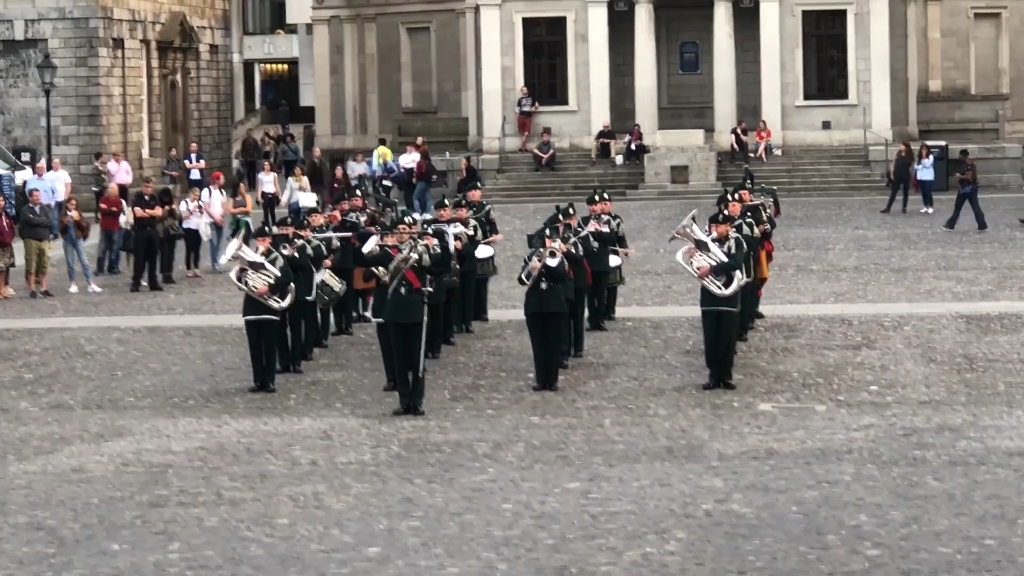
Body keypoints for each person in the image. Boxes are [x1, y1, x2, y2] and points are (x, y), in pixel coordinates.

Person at [386, 215, 449, 416]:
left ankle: (417, 401)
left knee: (417, 359)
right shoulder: (388, 252)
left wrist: (444, 242)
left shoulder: (421, 252)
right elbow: (360, 259)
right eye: (398, 229)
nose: (401, 233)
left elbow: (440, 268)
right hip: (395, 310)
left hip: (415, 309)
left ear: (411, 231)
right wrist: (366, 240)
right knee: (399, 360)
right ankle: (404, 400)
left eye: (405, 229)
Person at [243, 225, 294, 394]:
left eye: (263, 240)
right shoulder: (251, 258)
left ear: (269, 240)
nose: (260, 244)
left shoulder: (277, 257)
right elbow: (243, 279)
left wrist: (270, 288)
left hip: (270, 307)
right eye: (258, 241)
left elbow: (287, 277)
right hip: (252, 306)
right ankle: (258, 380)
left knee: (269, 346)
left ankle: (270, 381)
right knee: (255, 347)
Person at [518, 225, 570, 391]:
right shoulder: (531, 256)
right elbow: (521, 280)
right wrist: (532, 269)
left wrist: (545, 265)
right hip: (535, 304)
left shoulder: (558, 256)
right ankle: (540, 379)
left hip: (554, 303)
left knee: (554, 344)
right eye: (543, 240)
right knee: (538, 344)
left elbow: (562, 276)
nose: (545, 243)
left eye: (548, 239)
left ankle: (553, 380)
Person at [698, 211, 745, 391]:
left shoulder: (736, 241)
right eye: (712, 226)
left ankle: (726, 376)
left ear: (728, 226)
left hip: (729, 294)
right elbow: (696, 264)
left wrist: (711, 268)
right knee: (711, 338)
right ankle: (713, 376)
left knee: (728, 338)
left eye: (718, 226)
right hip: (710, 295)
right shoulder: (705, 242)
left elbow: (736, 263)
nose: (715, 230)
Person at [354, 222, 399, 390]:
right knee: (386, 344)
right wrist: (358, 245)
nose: (389, 240)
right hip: (382, 304)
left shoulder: (405, 253)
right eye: (386, 237)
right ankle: (391, 377)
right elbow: (362, 267)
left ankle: (403, 375)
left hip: (399, 303)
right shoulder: (378, 256)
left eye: (391, 236)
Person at [274, 217, 309, 374]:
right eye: (281, 229)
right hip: (280, 290)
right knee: (280, 328)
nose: (284, 232)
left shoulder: (299, 244)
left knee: (296, 327)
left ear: (293, 229)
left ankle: (296, 361)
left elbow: (303, 265)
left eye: (287, 229)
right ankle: (283, 362)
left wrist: (291, 255)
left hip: (297, 288)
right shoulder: (274, 245)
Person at [581, 191, 617, 331]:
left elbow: (611, 239)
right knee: (590, 294)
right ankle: (592, 319)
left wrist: (598, 233)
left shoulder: (607, 221)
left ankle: (600, 320)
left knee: (601, 293)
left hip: (601, 260)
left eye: (595, 205)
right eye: (591, 205)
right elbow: (579, 238)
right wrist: (588, 230)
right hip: (588, 261)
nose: (593, 208)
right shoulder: (583, 221)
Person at [466, 182, 501, 322]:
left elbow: (492, 226)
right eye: (471, 191)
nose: (473, 193)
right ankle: (470, 312)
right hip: (468, 248)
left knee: (483, 281)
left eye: (476, 190)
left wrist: (495, 235)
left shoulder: (486, 208)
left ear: (480, 192)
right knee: (469, 281)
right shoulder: (463, 208)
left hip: (483, 247)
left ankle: (482, 311)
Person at [560, 204, 589, 360]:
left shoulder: (581, 235)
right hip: (564, 280)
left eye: (572, 218)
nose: (570, 222)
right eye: (567, 219)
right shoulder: (558, 235)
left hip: (578, 279)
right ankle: (566, 347)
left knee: (578, 315)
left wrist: (567, 251)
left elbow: (583, 255)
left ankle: (578, 347)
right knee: (565, 316)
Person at [58, 196, 102, 294]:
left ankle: (90, 283)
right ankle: (73, 284)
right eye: (71, 204)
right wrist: (65, 223)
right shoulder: (62, 215)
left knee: (84, 261)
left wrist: (77, 220)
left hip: (77, 239)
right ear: (67, 205)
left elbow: (84, 227)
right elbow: (60, 230)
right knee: (70, 262)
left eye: (74, 205)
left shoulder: (78, 214)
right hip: (67, 240)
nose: (73, 207)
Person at [328, 193, 357, 336]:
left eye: (346, 203)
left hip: (347, 261)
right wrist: (334, 222)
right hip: (334, 262)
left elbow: (355, 230)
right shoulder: (331, 220)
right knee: (336, 295)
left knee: (348, 294)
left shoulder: (352, 218)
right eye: (341, 204)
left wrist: (341, 222)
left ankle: (348, 324)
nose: (344, 206)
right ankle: (338, 325)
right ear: (335, 206)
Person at [452, 197, 481, 334]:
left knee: (469, 295)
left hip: (469, 264)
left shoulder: (473, 224)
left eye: (462, 210)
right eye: (457, 210)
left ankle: (467, 322)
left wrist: (461, 248)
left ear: (467, 211)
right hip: (455, 264)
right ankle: (457, 322)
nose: (459, 212)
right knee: (456, 295)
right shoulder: (451, 225)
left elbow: (474, 244)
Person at [18, 188, 54, 298]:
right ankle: (32, 289)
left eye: (39, 196)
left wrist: (37, 220)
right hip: (31, 239)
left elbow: (49, 222)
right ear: (30, 197)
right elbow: (30, 221)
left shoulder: (45, 208)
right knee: (31, 263)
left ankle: (44, 288)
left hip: (44, 239)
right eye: (35, 196)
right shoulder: (25, 210)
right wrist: (41, 220)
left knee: (44, 263)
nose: (38, 198)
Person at [942, 149, 988, 232]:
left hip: (965, 189)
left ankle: (950, 225)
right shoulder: (970, 164)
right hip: (972, 188)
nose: (959, 158)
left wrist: (959, 176)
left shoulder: (968, 165)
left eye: (961, 156)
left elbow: (969, 177)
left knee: (958, 207)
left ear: (964, 156)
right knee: (975, 207)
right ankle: (982, 225)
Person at [130, 177, 163, 292]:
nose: (148, 189)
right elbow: (138, 214)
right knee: (139, 258)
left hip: (153, 231)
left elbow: (159, 213)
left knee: (153, 257)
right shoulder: (137, 198)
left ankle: (153, 282)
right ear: (142, 186)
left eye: (150, 187)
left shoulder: (155, 198)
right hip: (141, 230)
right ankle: (136, 282)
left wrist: (146, 211)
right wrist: (151, 212)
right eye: (146, 186)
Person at [601, 197, 628, 321]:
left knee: (613, 285)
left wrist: (624, 248)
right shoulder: (593, 220)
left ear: (610, 205)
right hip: (599, 255)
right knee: (600, 285)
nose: (602, 206)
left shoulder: (616, 220)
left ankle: (611, 310)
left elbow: (621, 237)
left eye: (605, 204)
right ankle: (600, 309)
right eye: (600, 204)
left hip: (612, 254)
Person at [96, 183, 124, 275]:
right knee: (102, 248)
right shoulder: (103, 199)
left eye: (112, 188)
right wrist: (112, 209)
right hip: (104, 227)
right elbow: (102, 210)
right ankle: (100, 269)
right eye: (109, 188)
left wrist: (108, 209)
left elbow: (118, 212)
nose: (110, 189)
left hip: (114, 227)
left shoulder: (119, 201)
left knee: (114, 248)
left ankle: (112, 268)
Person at [201, 172, 227, 272]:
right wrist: (215, 218)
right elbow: (206, 207)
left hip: (219, 220)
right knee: (214, 242)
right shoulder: (207, 191)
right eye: (222, 179)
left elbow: (224, 206)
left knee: (219, 243)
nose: (223, 180)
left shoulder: (222, 192)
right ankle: (215, 263)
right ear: (216, 180)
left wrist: (221, 216)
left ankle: (216, 261)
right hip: (210, 221)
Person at [156, 186, 182, 285]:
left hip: (172, 232)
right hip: (162, 232)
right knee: (164, 254)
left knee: (171, 254)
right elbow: (158, 218)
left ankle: (169, 273)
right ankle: (164, 274)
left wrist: (174, 209)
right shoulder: (158, 205)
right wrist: (166, 210)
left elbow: (178, 217)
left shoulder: (172, 204)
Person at [179, 187, 205, 278]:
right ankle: (188, 269)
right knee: (189, 249)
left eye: (198, 195)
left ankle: (196, 269)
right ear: (191, 194)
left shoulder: (200, 203)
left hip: (198, 228)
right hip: (188, 228)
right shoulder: (184, 203)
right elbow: (184, 216)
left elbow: (202, 215)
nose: (197, 197)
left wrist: (201, 210)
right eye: (195, 195)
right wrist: (191, 210)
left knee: (197, 249)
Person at [882, 142, 914, 214]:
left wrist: (911, 176)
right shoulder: (897, 154)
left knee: (905, 192)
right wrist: (892, 173)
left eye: (902, 145)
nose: (901, 146)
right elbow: (893, 163)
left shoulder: (909, 156)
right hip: (897, 174)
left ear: (906, 147)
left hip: (905, 175)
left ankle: (904, 207)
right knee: (894, 191)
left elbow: (911, 166)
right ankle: (888, 207)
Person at [515, 85, 538, 153]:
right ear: (521, 91)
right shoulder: (520, 100)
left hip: (528, 117)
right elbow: (517, 109)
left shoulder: (532, 98)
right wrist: (517, 114)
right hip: (521, 116)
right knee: (522, 133)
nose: (524, 91)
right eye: (523, 90)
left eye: (525, 89)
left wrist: (535, 108)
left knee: (526, 133)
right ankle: (524, 148)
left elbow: (536, 105)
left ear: (527, 91)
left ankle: (520, 147)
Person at [257, 160, 280, 227]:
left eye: (268, 165)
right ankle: (266, 225)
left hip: (272, 193)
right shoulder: (261, 175)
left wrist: (279, 194)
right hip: (264, 193)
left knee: (272, 211)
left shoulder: (274, 174)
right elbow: (260, 186)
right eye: (265, 165)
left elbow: (276, 184)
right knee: (265, 211)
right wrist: (259, 196)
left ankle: (274, 225)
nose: (267, 166)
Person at [413, 148, 435, 217]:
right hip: (428, 181)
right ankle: (427, 213)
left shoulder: (420, 162)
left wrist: (415, 176)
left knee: (415, 197)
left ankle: (417, 212)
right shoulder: (428, 162)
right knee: (428, 197)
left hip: (421, 181)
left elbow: (418, 173)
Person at [0, 194, 14, 299]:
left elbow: (11, 227)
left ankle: (3, 287)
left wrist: (10, 237)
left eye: (2, 201)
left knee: (5, 267)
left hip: (7, 244)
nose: (1, 203)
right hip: (1, 244)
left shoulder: (5, 214)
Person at [915, 143, 935, 214]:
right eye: (922, 149)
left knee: (928, 192)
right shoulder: (919, 157)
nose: (923, 150)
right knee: (923, 192)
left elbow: (927, 165)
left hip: (928, 177)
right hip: (921, 177)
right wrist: (920, 165)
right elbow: (916, 166)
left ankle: (930, 206)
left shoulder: (930, 156)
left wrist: (924, 159)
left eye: (925, 149)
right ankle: (925, 205)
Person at [90, 152, 107, 223]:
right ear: (100, 157)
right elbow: (102, 172)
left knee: (101, 201)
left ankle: (100, 215)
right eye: (102, 157)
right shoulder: (95, 166)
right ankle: (97, 216)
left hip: (101, 186)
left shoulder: (99, 165)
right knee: (99, 201)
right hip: (97, 187)